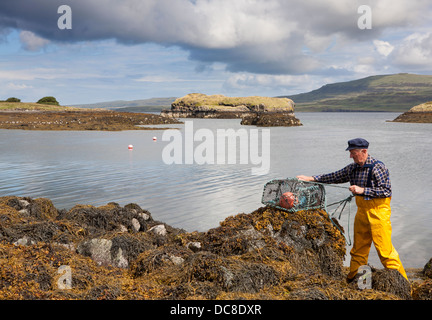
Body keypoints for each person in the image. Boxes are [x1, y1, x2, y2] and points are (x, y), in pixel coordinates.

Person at [296, 138, 408, 282]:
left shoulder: (377, 167)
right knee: (358, 250)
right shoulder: (353, 168)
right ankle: (356, 280)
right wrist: (311, 178)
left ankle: (403, 284)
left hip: (379, 213)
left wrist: (362, 190)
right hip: (362, 212)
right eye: (350, 153)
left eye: (353, 153)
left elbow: (386, 191)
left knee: (385, 252)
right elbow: (334, 176)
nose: (351, 156)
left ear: (364, 151)